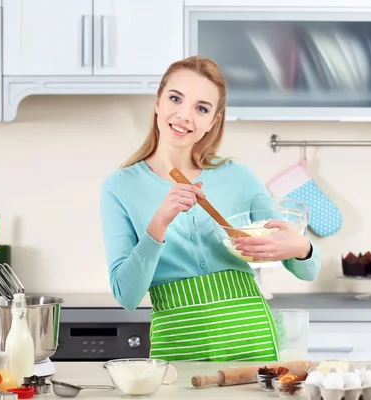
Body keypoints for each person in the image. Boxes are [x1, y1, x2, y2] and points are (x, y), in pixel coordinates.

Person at [99, 55, 321, 362]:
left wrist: (301, 247)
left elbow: (307, 270)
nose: (184, 115)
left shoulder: (236, 176)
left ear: (212, 122)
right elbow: (127, 296)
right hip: (179, 346)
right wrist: (158, 225)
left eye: (201, 108)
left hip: (252, 337)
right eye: (175, 98)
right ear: (158, 102)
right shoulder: (120, 186)